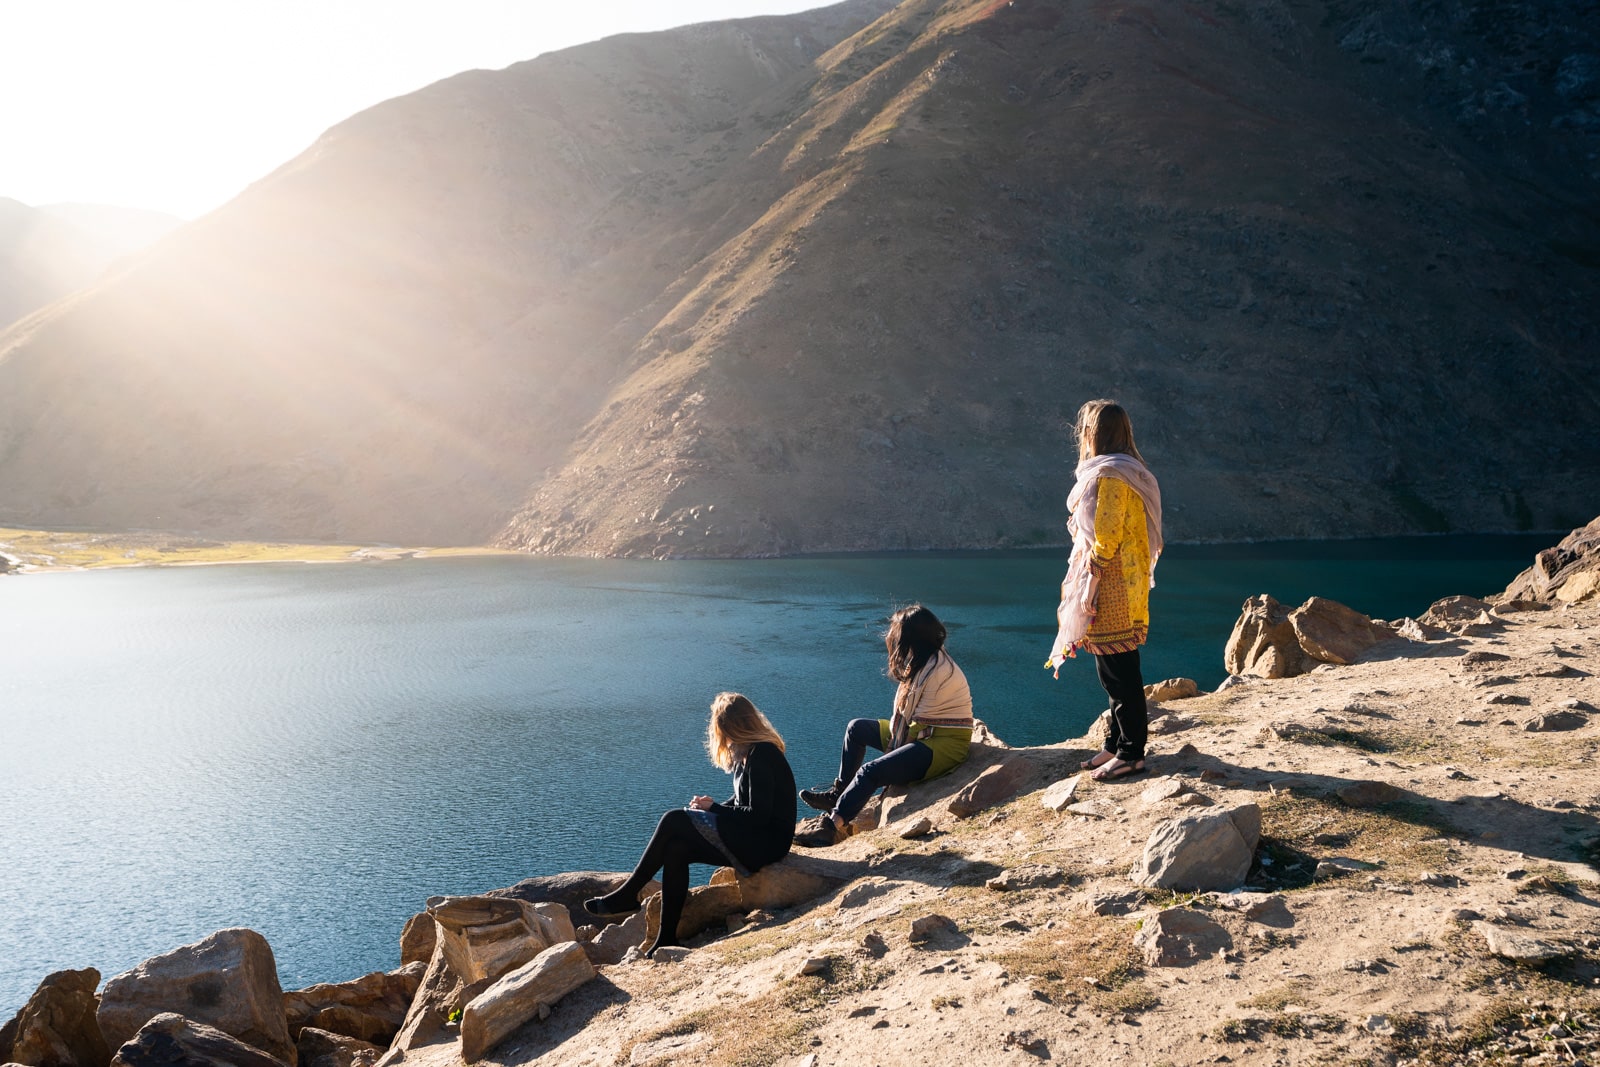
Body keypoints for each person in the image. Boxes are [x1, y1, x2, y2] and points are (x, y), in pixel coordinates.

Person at [583, 692, 795, 957]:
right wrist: (714, 805)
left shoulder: (762, 754)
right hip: (755, 837)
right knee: (676, 850)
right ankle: (667, 938)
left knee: (674, 819)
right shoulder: (748, 753)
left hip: (766, 844)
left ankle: (628, 894)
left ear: (729, 727)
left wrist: (714, 809)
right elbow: (744, 803)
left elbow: (758, 817)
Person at [1046, 398, 1164, 782]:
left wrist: (1090, 585)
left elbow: (1107, 537)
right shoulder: (1117, 471)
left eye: (1085, 430)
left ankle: (1131, 753)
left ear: (1094, 434)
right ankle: (1115, 744)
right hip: (1116, 580)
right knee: (1109, 670)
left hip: (1113, 585)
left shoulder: (1112, 475)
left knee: (1121, 671)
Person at [794, 604, 973, 848]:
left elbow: (916, 726)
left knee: (870, 772)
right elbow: (909, 722)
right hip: (922, 733)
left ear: (910, 637)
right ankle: (839, 794)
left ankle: (831, 826)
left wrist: (891, 765)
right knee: (856, 728)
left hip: (944, 743)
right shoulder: (925, 662)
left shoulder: (936, 670)